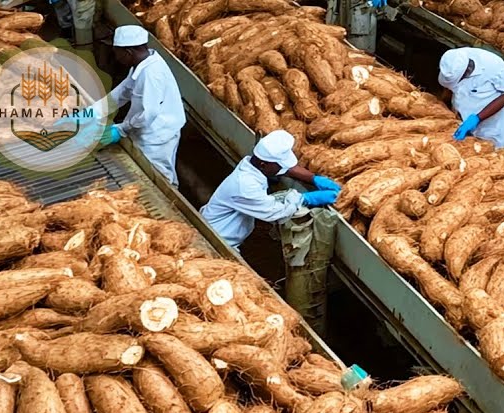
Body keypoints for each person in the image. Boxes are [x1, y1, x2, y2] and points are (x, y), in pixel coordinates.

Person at [200, 130, 342, 249]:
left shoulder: (253, 164)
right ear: (264, 164)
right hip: (215, 240)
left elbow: (286, 169)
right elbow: (277, 213)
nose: (283, 168)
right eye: (280, 165)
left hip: (221, 229)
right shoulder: (245, 186)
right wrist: (306, 198)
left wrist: (313, 178)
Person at [91, 26, 186, 184]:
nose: (116, 58)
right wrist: (91, 113)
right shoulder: (141, 64)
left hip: (156, 135)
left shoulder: (151, 74)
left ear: (128, 52)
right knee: (146, 174)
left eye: (117, 53)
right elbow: (122, 92)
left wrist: (120, 130)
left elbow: (148, 114)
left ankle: (171, 202)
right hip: (146, 129)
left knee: (158, 176)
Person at [437, 47, 504, 154]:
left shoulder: (494, 67)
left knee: (499, 156)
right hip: (465, 121)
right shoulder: (455, 58)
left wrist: (477, 118)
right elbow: (449, 87)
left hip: (493, 124)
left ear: (467, 71)